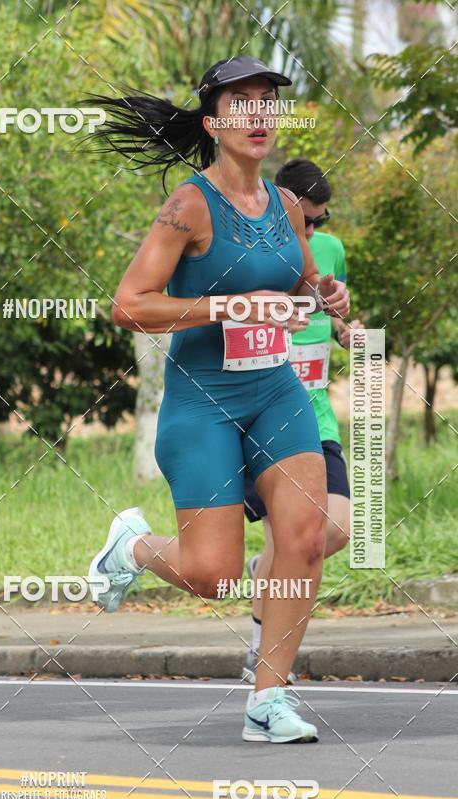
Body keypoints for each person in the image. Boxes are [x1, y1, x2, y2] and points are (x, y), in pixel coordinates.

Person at [85, 57, 349, 743]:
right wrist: (228, 305)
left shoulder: (289, 207)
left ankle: (269, 700)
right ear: (213, 123)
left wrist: (323, 298)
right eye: (243, 103)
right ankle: (132, 546)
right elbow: (129, 304)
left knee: (306, 538)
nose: (260, 114)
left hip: (276, 393)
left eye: (268, 102)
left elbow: (299, 287)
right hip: (203, 404)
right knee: (213, 576)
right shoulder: (189, 205)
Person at [242, 158, 363, 683]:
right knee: (292, 537)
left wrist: (346, 330)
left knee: (334, 530)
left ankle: (262, 574)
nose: (312, 232)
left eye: (320, 221)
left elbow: (334, 316)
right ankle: (261, 657)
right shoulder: (251, 253)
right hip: (262, 416)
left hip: (316, 414)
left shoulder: (331, 252)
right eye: (304, 220)